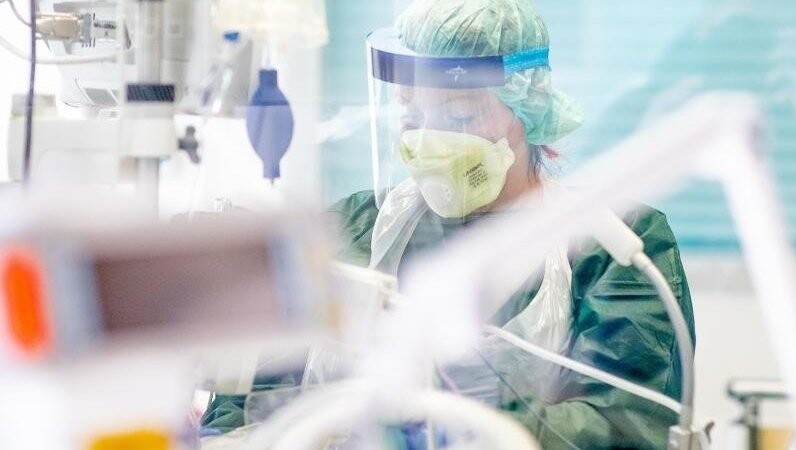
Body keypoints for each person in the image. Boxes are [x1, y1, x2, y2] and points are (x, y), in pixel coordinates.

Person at [205, 1, 695, 448]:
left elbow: (628, 427)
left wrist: (461, 424)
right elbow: (247, 397)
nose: (429, 136)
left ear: (527, 109)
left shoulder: (613, 244)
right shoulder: (352, 228)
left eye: (459, 115)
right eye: (411, 112)